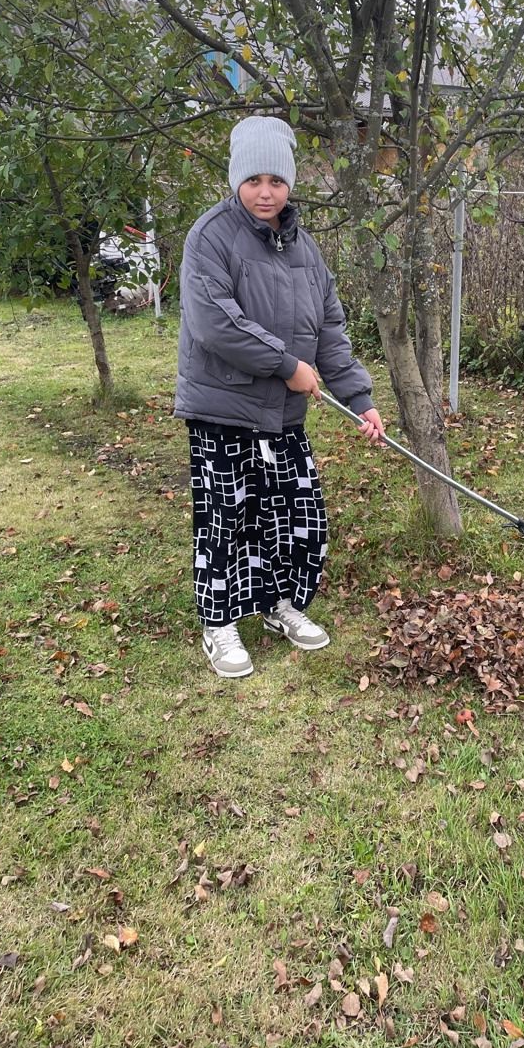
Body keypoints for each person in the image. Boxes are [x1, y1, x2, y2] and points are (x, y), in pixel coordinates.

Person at [174, 116, 385, 678]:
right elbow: (214, 321)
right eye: (253, 180)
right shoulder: (210, 236)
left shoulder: (304, 249)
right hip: (223, 409)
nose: (265, 192)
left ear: (290, 183)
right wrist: (286, 365)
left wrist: (359, 397)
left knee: (297, 516)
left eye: (277, 180)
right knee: (226, 519)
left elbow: (330, 331)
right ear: (235, 180)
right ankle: (219, 625)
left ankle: (278, 604)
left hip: (284, 415)